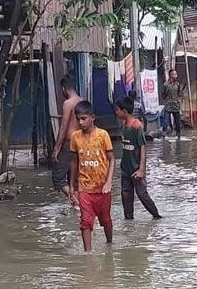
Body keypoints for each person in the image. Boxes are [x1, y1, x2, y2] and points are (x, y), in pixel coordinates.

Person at [69, 101, 114, 251]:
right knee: (85, 220)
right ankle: (87, 254)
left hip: (102, 188)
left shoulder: (103, 135)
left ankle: (109, 244)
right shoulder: (75, 137)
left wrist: (108, 182)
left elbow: (111, 159)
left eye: (84, 118)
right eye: (78, 119)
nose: (80, 122)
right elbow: (74, 162)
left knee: (105, 220)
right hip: (84, 187)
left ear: (92, 117)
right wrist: (71, 186)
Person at [114, 94, 162, 220]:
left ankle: (157, 217)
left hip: (136, 169)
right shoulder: (123, 125)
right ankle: (129, 221)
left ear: (124, 111)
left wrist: (141, 169)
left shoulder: (137, 126)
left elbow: (143, 148)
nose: (116, 112)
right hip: (125, 168)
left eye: (117, 110)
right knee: (126, 196)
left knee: (142, 195)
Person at [52, 76, 82, 207]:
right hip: (82, 143)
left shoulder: (68, 103)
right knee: (74, 179)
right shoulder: (82, 101)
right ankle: (77, 205)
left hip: (70, 144)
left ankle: (77, 203)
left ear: (64, 89)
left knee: (58, 178)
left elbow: (63, 127)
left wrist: (56, 148)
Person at [162, 69, 184, 138]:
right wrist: (166, 100)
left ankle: (178, 135)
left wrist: (179, 101)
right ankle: (164, 136)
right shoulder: (165, 84)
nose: (176, 76)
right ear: (170, 75)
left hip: (176, 105)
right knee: (165, 121)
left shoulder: (178, 84)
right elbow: (163, 94)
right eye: (174, 74)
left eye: (176, 74)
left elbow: (179, 94)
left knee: (177, 122)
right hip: (168, 105)